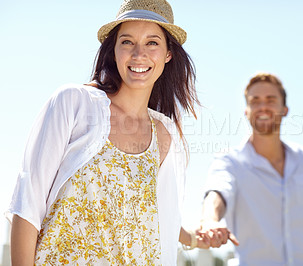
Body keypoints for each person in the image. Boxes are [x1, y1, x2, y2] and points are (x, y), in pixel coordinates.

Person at [6, 0, 209, 264]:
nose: (139, 54)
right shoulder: (74, 103)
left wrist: (194, 238)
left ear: (168, 53)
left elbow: (159, 222)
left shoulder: (164, 134)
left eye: (152, 43)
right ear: (113, 50)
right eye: (127, 42)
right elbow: (27, 204)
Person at [199, 73, 303, 266]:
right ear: (246, 111)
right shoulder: (230, 162)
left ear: (285, 109)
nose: (263, 106)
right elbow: (217, 193)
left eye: (271, 100)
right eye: (255, 101)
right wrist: (210, 220)